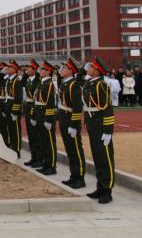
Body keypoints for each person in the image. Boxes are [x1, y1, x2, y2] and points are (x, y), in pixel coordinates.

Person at [83, 57, 115, 204]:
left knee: (105, 158)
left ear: (96, 70)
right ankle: (100, 187)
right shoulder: (90, 83)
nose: (87, 68)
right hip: (92, 123)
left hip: (101, 125)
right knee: (97, 156)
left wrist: (108, 130)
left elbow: (108, 108)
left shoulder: (101, 85)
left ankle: (107, 190)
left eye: (90, 67)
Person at [58, 58, 86, 189]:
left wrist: (74, 125)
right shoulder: (65, 84)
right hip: (64, 118)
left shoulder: (73, 85)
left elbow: (77, 107)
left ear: (70, 71)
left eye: (64, 68)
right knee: (70, 150)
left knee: (75, 150)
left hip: (70, 119)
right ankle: (73, 176)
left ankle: (79, 178)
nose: (61, 70)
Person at [35, 60, 57, 175]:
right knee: (43, 141)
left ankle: (51, 166)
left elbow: (50, 103)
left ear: (48, 72)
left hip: (45, 115)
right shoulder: (41, 83)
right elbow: (36, 100)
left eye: (43, 69)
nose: (40, 71)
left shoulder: (49, 84)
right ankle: (45, 164)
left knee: (49, 142)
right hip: (39, 114)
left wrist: (48, 119)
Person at [23, 60, 42, 169]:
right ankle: (33, 157)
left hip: (34, 108)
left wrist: (34, 113)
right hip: (28, 107)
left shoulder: (37, 80)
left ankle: (38, 158)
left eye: (29, 68)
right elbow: (22, 83)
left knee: (36, 135)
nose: (27, 70)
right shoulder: (29, 80)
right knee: (31, 135)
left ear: (35, 70)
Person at [4, 60, 23, 157]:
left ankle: (17, 149)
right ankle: (12, 146)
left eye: (10, 67)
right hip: (8, 105)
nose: (8, 68)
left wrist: (14, 111)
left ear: (15, 69)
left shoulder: (17, 81)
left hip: (13, 107)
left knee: (15, 130)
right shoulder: (9, 79)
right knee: (10, 129)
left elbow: (18, 97)